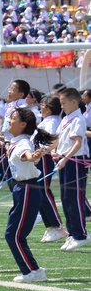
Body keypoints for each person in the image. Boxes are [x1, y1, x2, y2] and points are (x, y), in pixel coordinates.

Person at [0, 106, 56, 281]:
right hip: (21, 189)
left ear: (23, 124)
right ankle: (32, 270)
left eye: (13, 118)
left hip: (27, 189)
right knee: (13, 233)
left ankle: (34, 271)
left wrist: (34, 156)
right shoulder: (17, 140)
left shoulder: (23, 143)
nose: (9, 120)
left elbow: (28, 156)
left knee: (14, 234)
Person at [53, 87, 89, 251]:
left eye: (63, 103)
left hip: (74, 162)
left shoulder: (78, 120)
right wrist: (52, 151)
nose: (62, 107)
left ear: (74, 102)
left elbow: (77, 144)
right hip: (65, 161)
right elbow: (58, 140)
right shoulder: (66, 119)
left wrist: (65, 159)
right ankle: (73, 234)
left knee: (74, 198)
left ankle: (81, 234)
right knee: (66, 199)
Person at [37, 95, 68, 243]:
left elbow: (52, 141)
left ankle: (57, 226)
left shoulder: (51, 122)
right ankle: (51, 226)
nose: (40, 107)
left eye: (42, 105)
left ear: (48, 109)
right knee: (40, 192)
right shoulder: (49, 121)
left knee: (43, 191)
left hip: (44, 158)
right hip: (40, 157)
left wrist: (40, 153)